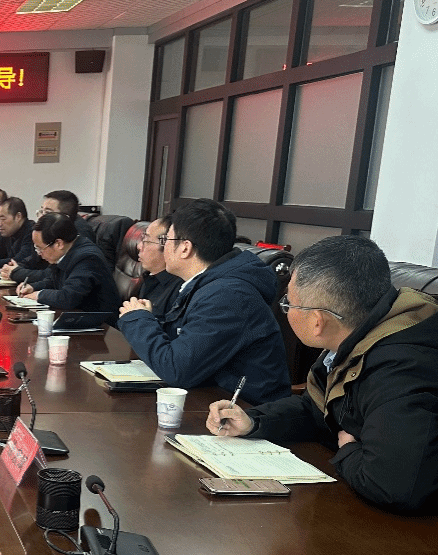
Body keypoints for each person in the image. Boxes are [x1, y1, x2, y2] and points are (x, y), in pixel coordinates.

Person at [209, 236, 438, 514]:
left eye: (288, 303)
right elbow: (315, 410)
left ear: (318, 321)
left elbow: (396, 486)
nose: (286, 309)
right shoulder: (354, 336)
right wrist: (254, 422)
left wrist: (348, 451)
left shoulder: (402, 367)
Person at [118, 199, 289, 405]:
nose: (164, 248)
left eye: (168, 240)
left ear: (185, 248)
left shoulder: (227, 296)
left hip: (244, 411)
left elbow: (177, 370)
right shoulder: (208, 284)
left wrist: (138, 320)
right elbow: (185, 345)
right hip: (210, 400)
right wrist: (149, 319)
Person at [15, 213, 120, 315]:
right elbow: (54, 281)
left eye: (40, 248)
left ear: (59, 243)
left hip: (100, 322)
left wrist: (39, 295)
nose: (39, 253)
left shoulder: (87, 258)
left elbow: (68, 297)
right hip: (76, 316)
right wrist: (33, 287)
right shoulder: (68, 251)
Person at [136, 216, 181, 315]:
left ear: (168, 246)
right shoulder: (149, 277)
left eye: (146, 241)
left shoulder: (180, 290)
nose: (139, 246)